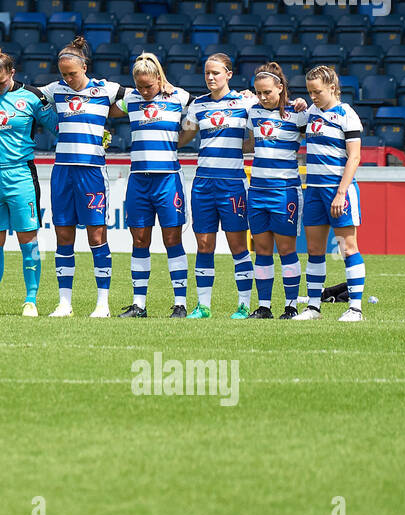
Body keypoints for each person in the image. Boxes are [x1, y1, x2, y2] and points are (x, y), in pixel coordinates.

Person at [0, 45, 58, 317]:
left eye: (2, 82)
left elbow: (56, 125)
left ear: (13, 73)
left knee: (27, 239)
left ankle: (31, 301)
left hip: (21, 174)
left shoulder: (31, 97)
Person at [38, 36, 126, 318]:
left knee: (96, 235)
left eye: (72, 74)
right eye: (63, 74)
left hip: (92, 171)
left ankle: (103, 304)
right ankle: (65, 303)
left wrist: (108, 115)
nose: (68, 79)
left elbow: (141, 93)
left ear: (85, 66)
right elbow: (22, 93)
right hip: (63, 170)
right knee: (63, 235)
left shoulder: (106, 89)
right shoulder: (56, 89)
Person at [109, 52, 192, 318]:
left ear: (159, 78)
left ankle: (180, 303)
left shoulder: (179, 96)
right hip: (138, 180)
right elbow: (100, 109)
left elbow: (205, 108)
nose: (144, 91)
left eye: (149, 86)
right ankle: (139, 304)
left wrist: (181, 140)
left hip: (168, 179)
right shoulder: (130, 99)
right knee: (140, 239)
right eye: (140, 86)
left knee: (172, 239)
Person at [177, 53, 257, 319]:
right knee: (204, 245)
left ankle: (244, 305)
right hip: (203, 183)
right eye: (207, 73)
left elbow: (260, 136)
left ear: (229, 74)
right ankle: (203, 306)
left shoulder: (246, 102)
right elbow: (183, 137)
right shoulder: (198, 106)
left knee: (237, 246)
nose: (211, 77)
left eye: (216, 73)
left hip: (232, 183)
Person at [298, 65, 367, 321]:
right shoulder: (311, 114)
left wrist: (341, 193)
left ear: (332, 88)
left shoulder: (347, 115)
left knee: (348, 248)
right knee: (315, 250)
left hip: (339, 192)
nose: (313, 96)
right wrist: (297, 104)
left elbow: (355, 157)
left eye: (317, 91)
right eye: (309, 92)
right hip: (314, 191)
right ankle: (314, 307)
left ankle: (355, 309)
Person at [245, 63, 309, 318]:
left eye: (267, 92)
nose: (262, 97)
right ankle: (264, 306)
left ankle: (291, 306)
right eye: (258, 92)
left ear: (280, 88)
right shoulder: (252, 112)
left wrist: (305, 103)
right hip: (257, 190)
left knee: (286, 251)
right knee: (261, 250)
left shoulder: (298, 113)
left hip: (285, 191)